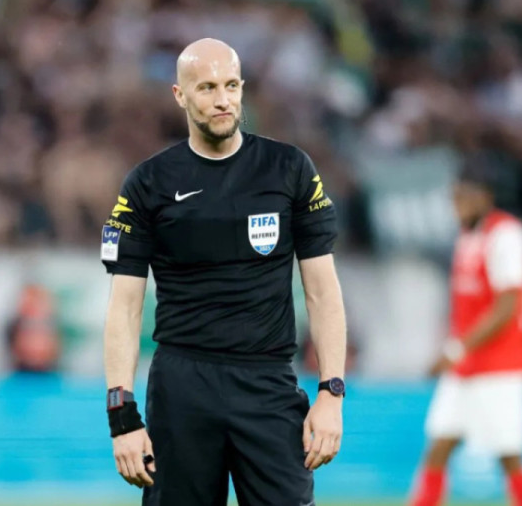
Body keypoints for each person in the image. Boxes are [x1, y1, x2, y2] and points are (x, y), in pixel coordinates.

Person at [101, 38, 348, 506]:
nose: (222, 99)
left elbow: (322, 291)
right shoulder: (149, 183)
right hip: (182, 390)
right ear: (179, 95)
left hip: (268, 385)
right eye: (208, 87)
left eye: (232, 85)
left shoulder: (289, 169)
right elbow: (125, 306)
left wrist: (331, 392)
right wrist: (122, 416)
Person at [410, 155, 522, 506]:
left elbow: (506, 308)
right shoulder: (468, 238)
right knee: (438, 445)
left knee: (509, 456)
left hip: (501, 366)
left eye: (462, 196)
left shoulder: (507, 235)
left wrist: (455, 349)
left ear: (485, 196)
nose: (456, 205)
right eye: (453, 197)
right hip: (466, 367)